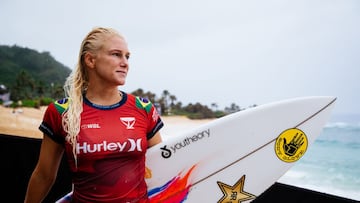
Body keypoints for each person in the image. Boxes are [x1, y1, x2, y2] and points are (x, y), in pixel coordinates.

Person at [24, 27, 164, 203]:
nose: (125, 62)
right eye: (116, 54)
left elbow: (161, 169)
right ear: (90, 60)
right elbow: (44, 175)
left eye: (127, 56)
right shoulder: (61, 112)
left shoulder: (142, 108)